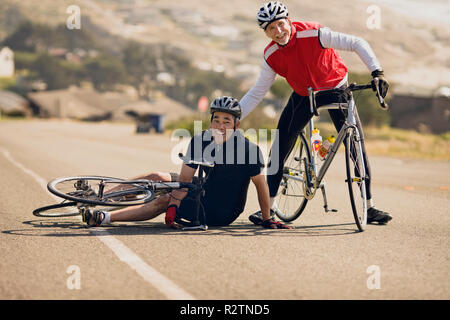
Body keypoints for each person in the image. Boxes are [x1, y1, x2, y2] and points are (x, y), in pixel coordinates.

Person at [240, 1, 392, 225]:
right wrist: (234, 118)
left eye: (280, 24)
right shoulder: (270, 55)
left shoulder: (314, 33)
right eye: (270, 29)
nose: (278, 31)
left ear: (288, 20)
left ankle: (368, 206)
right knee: (280, 145)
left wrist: (376, 72)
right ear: (265, 32)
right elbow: (257, 93)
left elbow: (356, 43)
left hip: (335, 88)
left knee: (355, 145)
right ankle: (269, 208)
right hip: (304, 93)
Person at [83, 96, 293, 229]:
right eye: (216, 119)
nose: (220, 125)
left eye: (226, 121)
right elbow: (185, 179)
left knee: (163, 200)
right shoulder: (201, 140)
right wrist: (177, 199)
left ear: (236, 125)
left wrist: (267, 218)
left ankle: (104, 217)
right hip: (199, 190)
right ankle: (102, 196)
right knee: (157, 177)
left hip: (220, 210)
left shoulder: (249, 149)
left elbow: (261, 186)